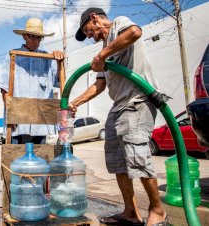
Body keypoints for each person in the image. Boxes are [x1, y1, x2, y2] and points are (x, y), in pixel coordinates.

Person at [70, 8, 167, 226]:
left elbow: (134, 32)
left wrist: (102, 56)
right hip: (119, 106)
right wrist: (74, 103)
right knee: (117, 161)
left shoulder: (120, 24)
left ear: (95, 18)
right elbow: (100, 84)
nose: (90, 37)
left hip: (138, 100)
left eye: (88, 31)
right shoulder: (105, 47)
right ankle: (131, 212)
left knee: (138, 156)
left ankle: (157, 210)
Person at [0, 17, 64, 144]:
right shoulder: (12, 56)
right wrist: (11, 113)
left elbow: (59, 82)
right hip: (18, 122)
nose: (35, 41)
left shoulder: (48, 58)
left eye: (39, 38)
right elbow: (4, 88)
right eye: (32, 36)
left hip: (41, 121)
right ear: (24, 36)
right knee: (15, 160)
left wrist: (59, 62)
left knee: (40, 160)